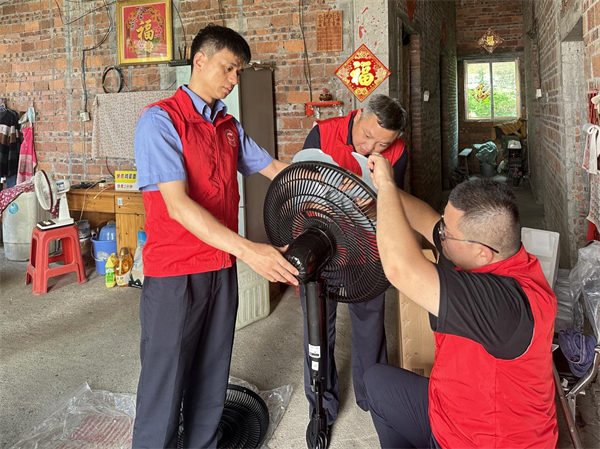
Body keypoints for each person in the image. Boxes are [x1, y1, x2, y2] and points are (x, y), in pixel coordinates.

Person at [131, 24, 299, 449]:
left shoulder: (227, 125)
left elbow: (274, 169)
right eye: (228, 67)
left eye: (239, 71)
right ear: (199, 60)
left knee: (212, 370)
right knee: (165, 378)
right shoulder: (161, 120)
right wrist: (251, 251)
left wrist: (331, 187)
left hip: (220, 268)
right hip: (176, 273)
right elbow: (178, 206)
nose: (234, 79)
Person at [363, 160, 558, 449]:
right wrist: (380, 185)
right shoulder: (492, 253)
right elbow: (425, 218)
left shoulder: (506, 306)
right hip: (450, 410)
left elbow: (400, 269)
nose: (439, 235)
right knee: (376, 382)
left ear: (481, 253)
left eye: (446, 234)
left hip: (483, 441)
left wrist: (389, 187)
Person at [300, 95, 408, 447]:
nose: (371, 148)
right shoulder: (322, 133)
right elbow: (298, 187)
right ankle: (321, 407)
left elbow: (395, 206)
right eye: (368, 137)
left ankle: (372, 397)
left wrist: (374, 201)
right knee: (318, 329)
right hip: (322, 247)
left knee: (370, 324)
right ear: (359, 115)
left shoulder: (398, 151)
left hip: (367, 249)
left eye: (382, 145)